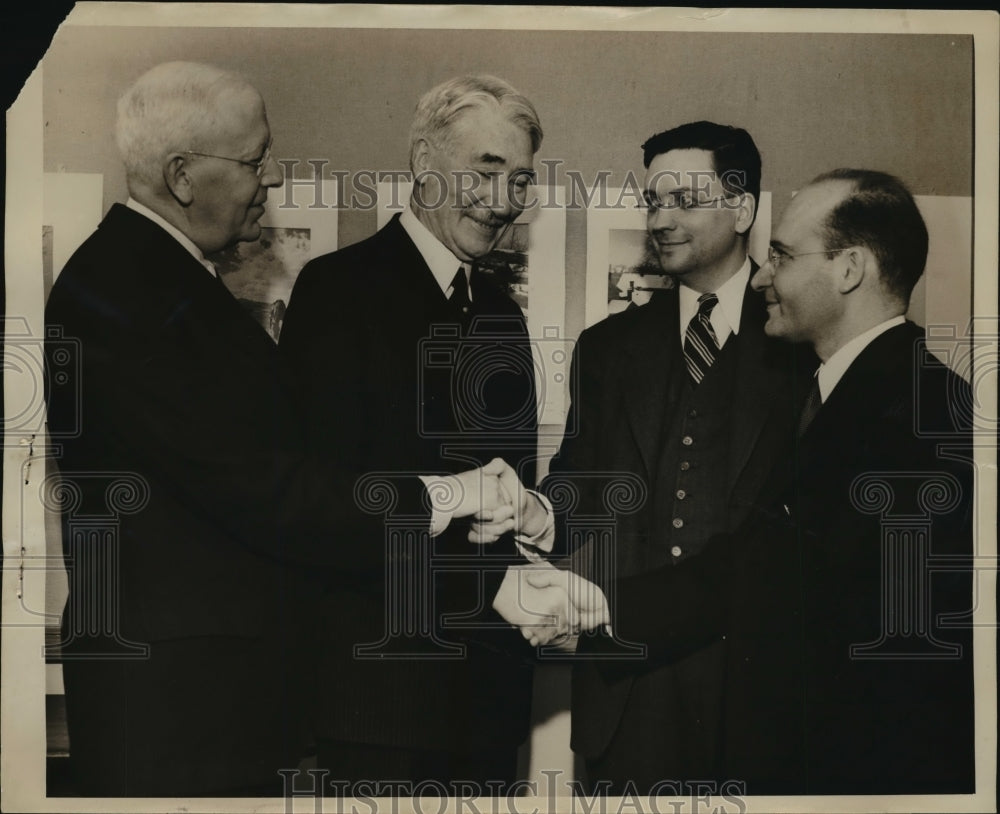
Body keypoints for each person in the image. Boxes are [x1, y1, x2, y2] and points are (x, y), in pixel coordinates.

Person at [43, 61, 511, 797]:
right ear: (183, 175)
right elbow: (271, 489)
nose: (270, 180)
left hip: (202, 687)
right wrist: (448, 499)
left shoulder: (150, 278)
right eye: (256, 160)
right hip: (179, 702)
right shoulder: (127, 295)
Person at [537, 169, 976, 794]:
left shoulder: (915, 409)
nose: (764, 275)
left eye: (784, 257)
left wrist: (597, 605)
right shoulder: (857, 390)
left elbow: (779, 571)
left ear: (849, 269)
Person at [486, 121, 809, 792]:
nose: (660, 219)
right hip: (627, 692)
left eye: (683, 200)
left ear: (742, 207)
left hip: (760, 694)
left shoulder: (801, 342)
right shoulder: (608, 348)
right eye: (652, 202)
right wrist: (538, 513)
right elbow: (578, 484)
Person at [279, 75, 573, 791]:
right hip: (380, 701)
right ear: (421, 160)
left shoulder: (501, 314)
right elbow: (319, 502)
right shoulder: (337, 290)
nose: (502, 200)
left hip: (489, 703)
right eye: (485, 168)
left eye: (521, 179)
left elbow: (507, 495)